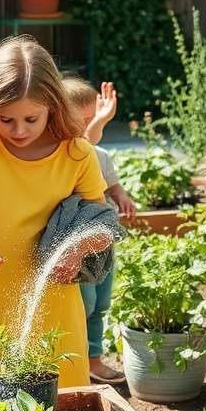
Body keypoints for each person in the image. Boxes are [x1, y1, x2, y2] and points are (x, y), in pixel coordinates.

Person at [0, 36, 114, 388]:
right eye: (5, 119)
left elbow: (102, 225)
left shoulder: (77, 153)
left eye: (31, 118)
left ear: (53, 106)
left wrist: (78, 250)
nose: (18, 130)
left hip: (54, 300)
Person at [62, 75, 136, 384]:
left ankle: (93, 360)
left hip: (102, 238)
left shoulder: (100, 156)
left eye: (93, 119)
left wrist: (121, 196)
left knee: (101, 303)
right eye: (84, 121)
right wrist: (101, 120)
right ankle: (77, 359)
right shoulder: (64, 154)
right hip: (75, 239)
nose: (90, 127)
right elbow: (82, 144)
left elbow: (113, 185)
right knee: (85, 302)